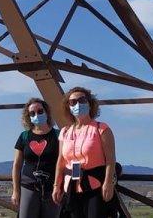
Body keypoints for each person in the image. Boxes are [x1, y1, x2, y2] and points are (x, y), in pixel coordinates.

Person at [52, 87, 116, 218]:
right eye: (73, 102)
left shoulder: (101, 128)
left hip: (95, 186)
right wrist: (56, 185)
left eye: (82, 100)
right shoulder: (64, 131)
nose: (77, 104)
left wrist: (108, 183)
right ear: (68, 107)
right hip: (70, 187)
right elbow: (61, 160)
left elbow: (110, 159)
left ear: (89, 103)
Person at [11, 98, 59, 218]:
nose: (36, 115)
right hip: (29, 185)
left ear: (47, 112)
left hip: (52, 187)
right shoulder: (24, 136)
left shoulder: (58, 135)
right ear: (28, 117)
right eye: (32, 113)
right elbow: (17, 165)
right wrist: (15, 191)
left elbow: (64, 161)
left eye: (40, 111)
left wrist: (59, 186)